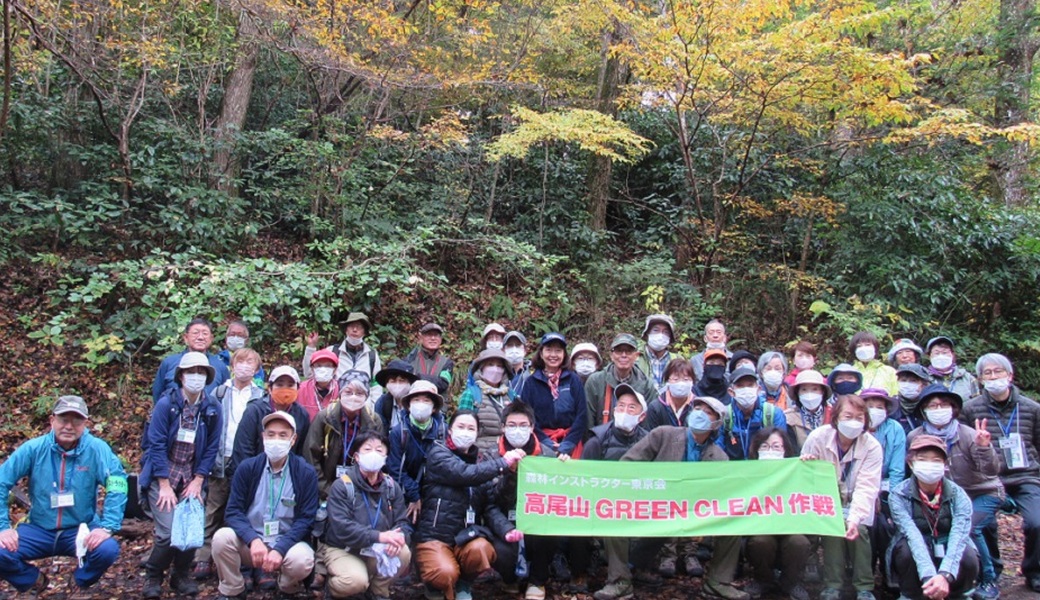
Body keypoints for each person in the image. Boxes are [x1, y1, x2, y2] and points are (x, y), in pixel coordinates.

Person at [622, 396, 747, 600]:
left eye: (707, 412)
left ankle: (718, 582)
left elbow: (723, 492)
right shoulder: (663, 435)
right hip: (655, 505)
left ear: (716, 423)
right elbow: (627, 464)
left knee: (732, 526)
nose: (699, 414)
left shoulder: (719, 457)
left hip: (695, 513)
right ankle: (625, 573)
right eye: (697, 408)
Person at [0, 396, 126, 596]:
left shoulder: (96, 449)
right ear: (52, 421)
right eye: (63, 419)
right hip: (39, 528)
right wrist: (3, 528)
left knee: (107, 549)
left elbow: (118, 483)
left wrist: (107, 526)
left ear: (85, 423)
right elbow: (1, 481)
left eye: (76, 420)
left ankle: (79, 581)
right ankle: (32, 580)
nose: (69, 426)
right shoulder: (34, 449)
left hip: (80, 528)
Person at [413, 410, 525, 600]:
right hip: (435, 536)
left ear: (477, 434)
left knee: (482, 549)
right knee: (444, 573)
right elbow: (463, 473)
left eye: (471, 428)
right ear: (450, 430)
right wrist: (503, 462)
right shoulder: (438, 453)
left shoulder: (481, 463)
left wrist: (507, 529)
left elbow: (489, 507)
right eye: (460, 427)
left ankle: (464, 583)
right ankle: (435, 586)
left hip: (466, 536)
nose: (465, 432)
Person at [140, 351, 224, 598]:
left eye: (201, 372)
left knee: (191, 532)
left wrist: (199, 480)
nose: (196, 377)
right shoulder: (167, 404)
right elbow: (155, 444)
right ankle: (153, 575)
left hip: (191, 476)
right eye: (191, 372)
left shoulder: (211, 408)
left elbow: (212, 447)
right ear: (181, 375)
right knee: (166, 534)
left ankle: (180, 575)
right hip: (163, 474)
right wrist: (163, 484)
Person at [908, 384, 1003, 600]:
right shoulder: (915, 436)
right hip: (944, 497)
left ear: (953, 408)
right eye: (932, 405)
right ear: (923, 410)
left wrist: (984, 447)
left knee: (969, 528)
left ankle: (988, 579)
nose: (938, 409)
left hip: (981, 493)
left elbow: (991, 472)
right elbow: (911, 470)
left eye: (943, 404)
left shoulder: (968, 434)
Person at [213, 411, 318, 600]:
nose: (276, 439)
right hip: (252, 542)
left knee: (302, 560)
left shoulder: (305, 473)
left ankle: (287, 588)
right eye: (271, 434)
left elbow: (306, 519)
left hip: (287, 543)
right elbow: (233, 511)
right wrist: (253, 540)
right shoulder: (247, 468)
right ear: (263, 437)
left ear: (293, 440)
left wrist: (281, 548)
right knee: (222, 538)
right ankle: (232, 590)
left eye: (283, 435)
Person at [960, 353, 1040, 592]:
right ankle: (991, 571)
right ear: (980, 379)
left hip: (1026, 476)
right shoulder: (970, 409)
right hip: (987, 479)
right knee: (983, 524)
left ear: (1010, 375)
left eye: (998, 372)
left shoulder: (1032, 408)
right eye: (988, 373)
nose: (993, 377)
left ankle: (1034, 571)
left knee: (1037, 522)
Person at [800, 394, 883, 600]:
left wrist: (854, 517)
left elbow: (867, 486)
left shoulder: (871, 446)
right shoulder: (818, 437)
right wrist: (808, 463)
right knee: (833, 529)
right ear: (836, 417)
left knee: (859, 529)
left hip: (857, 500)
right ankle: (832, 584)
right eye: (848, 416)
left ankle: (864, 586)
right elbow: (804, 477)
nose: (853, 422)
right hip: (825, 501)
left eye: (859, 417)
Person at [193, 348, 266, 580]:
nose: (244, 366)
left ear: (257, 369)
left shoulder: (261, 395)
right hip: (220, 457)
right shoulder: (219, 393)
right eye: (240, 361)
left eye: (250, 362)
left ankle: (247, 562)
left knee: (246, 508)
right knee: (214, 507)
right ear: (232, 365)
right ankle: (203, 557)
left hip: (247, 458)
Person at [321, 431, 411, 600]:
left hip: (375, 548)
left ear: (386, 456)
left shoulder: (392, 486)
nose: (373, 454)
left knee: (403, 551)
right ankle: (333, 589)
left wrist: (398, 537)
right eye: (367, 449)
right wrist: (380, 536)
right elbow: (342, 527)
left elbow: (403, 522)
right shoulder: (342, 486)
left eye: (379, 450)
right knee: (355, 581)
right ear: (356, 456)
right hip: (344, 549)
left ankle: (378, 591)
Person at [887, 435, 980, 600]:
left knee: (968, 555)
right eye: (922, 459)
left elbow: (960, 534)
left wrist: (945, 575)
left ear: (944, 465)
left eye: (936, 460)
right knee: (905, 552)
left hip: (948, 543)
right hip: (917, 546)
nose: (929, 465)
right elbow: (911, 534)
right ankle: (911, 594)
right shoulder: (899, 495)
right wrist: (930, 577)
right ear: (910, 463)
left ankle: (960, 594)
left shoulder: (958, 494)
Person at [478, 402, 554, 594]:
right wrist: (510, 473)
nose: (517, 430)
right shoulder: (491, 456)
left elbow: (557, 491)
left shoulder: (546, 454)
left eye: (523, 425)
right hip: (503, 518)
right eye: (512, 425)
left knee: (547, 535)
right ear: (503, 427)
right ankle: (509, 578)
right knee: (504, 552)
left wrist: (564, 465)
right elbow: (491, 500)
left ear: (532, 427)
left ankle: (537, 581)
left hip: (537, 516)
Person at [584, 384, 650, 600]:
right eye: (620, 406)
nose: (624, 411)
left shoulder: (651, 441)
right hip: (605, 507)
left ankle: (641, 566)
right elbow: (583, 480)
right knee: (615, 520)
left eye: (632, 408)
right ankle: (619, 581)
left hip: (642, 506)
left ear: (641, 416)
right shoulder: (597, 439)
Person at [744, 427, 810, 600]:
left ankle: (791, 583)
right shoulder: (745, 474)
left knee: (799, 542)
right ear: (756, 450)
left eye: (776, 447)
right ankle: (763, 580)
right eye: (764, 447)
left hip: (791, 528)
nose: (770, 451)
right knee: (760, 542)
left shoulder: (798, 471)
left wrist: (810, 465)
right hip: (761, 528)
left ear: (785, 451)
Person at [305, 371, 386, 497]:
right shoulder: (324, 418)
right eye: (348, 392)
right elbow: (311, 456)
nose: (353, 397)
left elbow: (379, 456)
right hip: (328, 484)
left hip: (362, 487)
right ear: (340, 393)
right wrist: (326, 489)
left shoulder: (374, 421)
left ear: (366, 396)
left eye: (359, 393)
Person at [861, 387, 906, 587]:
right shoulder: (855, 428)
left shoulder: (894, 429)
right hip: (861, 489)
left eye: (879, 406)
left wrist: (887, 497)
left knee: (886, 525)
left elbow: (897, 469)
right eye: (869, 406)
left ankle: (889, 572)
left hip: (887, 490)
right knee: (866, 526)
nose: (874, 410)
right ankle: (864, 572)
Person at [388, 379, 448, 524]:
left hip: (434, 493)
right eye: (416, 400)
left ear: (434, 408)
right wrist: (414, 495)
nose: (421, 404)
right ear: (408, 406)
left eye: (426, 401)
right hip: (405, 492)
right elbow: (395, 468)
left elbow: (447, 466)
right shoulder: (399, 432)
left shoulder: (443, 431)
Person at [231, 365, 311, 471]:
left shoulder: (302, 415)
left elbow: (301, 451)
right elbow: (242, 449)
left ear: (298, 388)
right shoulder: (254, 411)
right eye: (280, 384)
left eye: (290, 385)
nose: (285, 389)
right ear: (269, 388)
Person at [520, 332, 587, 459]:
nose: (553, 355)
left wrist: (568, 444)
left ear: (564, 354)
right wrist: (547, 443)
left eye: (558, 350)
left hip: (571, 442)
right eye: (549, 350)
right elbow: (527, 416)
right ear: (541, 353)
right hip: (541, 442)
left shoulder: (573, 380)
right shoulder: (531, 382)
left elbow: (581, 415)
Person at [303, 312, 383, 404]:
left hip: (364, 407)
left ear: (364, 332)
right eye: (351, 326)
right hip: (336, 406)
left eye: (359, 327)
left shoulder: (371, 356)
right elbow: (310, 374)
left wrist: (373, 406)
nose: (355, 329)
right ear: (346, 330)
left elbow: (376, 385)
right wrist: (311, 347)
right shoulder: (333, 351)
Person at [585, 334, 658, 429]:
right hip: (601, 440)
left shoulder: (646, 385)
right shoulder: (595, 381)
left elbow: (649, 422)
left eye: (628, 351)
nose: (624, 355)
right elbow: (588, 421)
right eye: (619, 351)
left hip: (637, 441)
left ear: (636, 356)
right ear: (611, 355)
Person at [152, 318, 228, 402]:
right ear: (186, 337)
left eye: (205, 334)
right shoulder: (169, 363)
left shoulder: (220, 366)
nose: (200, 337)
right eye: (195, 333)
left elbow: (226, 398)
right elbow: (157, 395)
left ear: (211, 338)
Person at [719, 366, 787, 460]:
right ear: (731, 392)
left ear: (758, 389)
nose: (746, 389)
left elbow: (782, 447)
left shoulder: (773, 413)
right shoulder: (724, 415)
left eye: (750, 385)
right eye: (740, 386)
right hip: (733, 470)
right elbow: (718, 449)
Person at [456, 348, 516, 454]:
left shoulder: (511, 395)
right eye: (490, 364)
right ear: (481, 369)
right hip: (479, 455)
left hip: (508, 454)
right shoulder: (471, 394)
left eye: (500, 366)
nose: (495, 369)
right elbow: (461, 427)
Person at [784, 369, 832, 449]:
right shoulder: (788, 418)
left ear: (822, 392)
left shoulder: (833, 415)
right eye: (804, 390)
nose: (809, 394)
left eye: (815, 389)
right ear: (798, 393)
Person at [645, 358, 696, 430]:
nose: (681, 383)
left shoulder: (698, 406)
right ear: (667, 381)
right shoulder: (656, 407)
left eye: (686, 379)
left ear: (692, 382)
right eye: (676, 379)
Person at [925, 336, 979, 403]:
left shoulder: (967, 378)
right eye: (937, 353)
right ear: (929, 356)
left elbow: (978, 405)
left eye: (945, 352)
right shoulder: (924, 378)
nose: (941, 356)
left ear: (952, 354)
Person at [407, 322, 455, 394]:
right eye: (429, 335)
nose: (433, 338)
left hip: (438, 404)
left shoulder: (447, 363)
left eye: (436, 335)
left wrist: (417, 376)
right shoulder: (410, 359)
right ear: (421, 338)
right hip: (413, 402)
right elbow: (405, 381)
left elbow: (443, 383)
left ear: (440, 339)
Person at [373, 359, 419, 432]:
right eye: (393, 381)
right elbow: (379, 431)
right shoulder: (382, 402)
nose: (397, 385)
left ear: (410, 383)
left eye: (402, 381)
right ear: (387, 384)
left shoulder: (417, 402)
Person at [636, 314, 677, 394]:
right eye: (656, 330)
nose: (660, 335)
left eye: (665, 332)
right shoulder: (635, 358)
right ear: (647, 334)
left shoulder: (677, 360)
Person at [215, 320, 266, 384]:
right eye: (232, 334)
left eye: (240, 335)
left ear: (247, 340)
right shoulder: (218, 359)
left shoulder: (253, 361)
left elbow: (259, 384)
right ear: (226, 338)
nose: (235, 338)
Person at [849, 331, 898, 396]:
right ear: (854, 350)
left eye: (868, 345)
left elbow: (896, 396)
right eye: (859, 346)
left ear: (875, 347)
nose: (863, 348)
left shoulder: (889, 372)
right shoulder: (849, 372)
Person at [297, 349, 340, 421]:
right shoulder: (301, 389)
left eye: (328, 366)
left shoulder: (341, 389)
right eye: (318, 366)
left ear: (335, 369)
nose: (323, 369)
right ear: (312, 368)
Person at [892, 364, 932, 433]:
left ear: (923, 384)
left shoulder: (931, 404)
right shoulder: (892, 406)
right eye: (903, 380)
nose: (907, 385)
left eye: (913, 381)